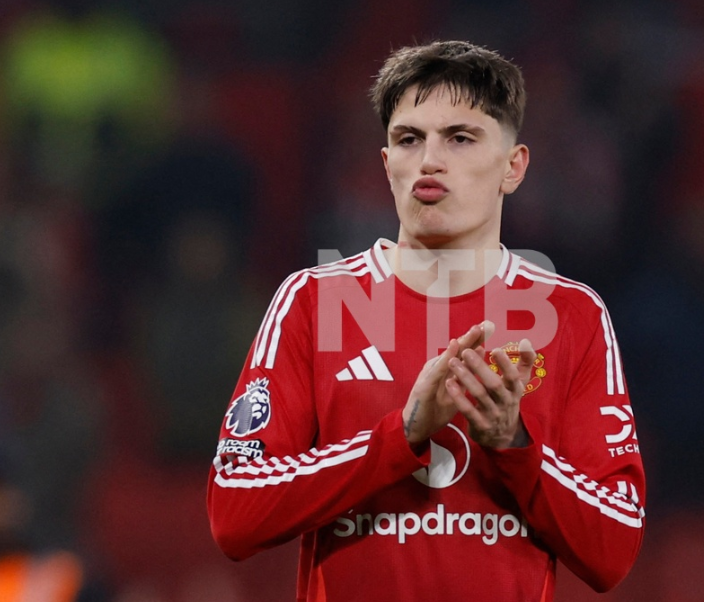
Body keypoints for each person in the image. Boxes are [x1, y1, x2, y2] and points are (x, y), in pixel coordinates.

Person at [207, 40, 645, 601]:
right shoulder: (314, 301)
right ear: (387, 165)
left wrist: (514, 444)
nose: (430, 160)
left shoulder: (570, 314)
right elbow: (234, 513)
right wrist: (403, 434)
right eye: (409, 139)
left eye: (460, 138)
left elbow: (614, 550)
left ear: (514, 167)